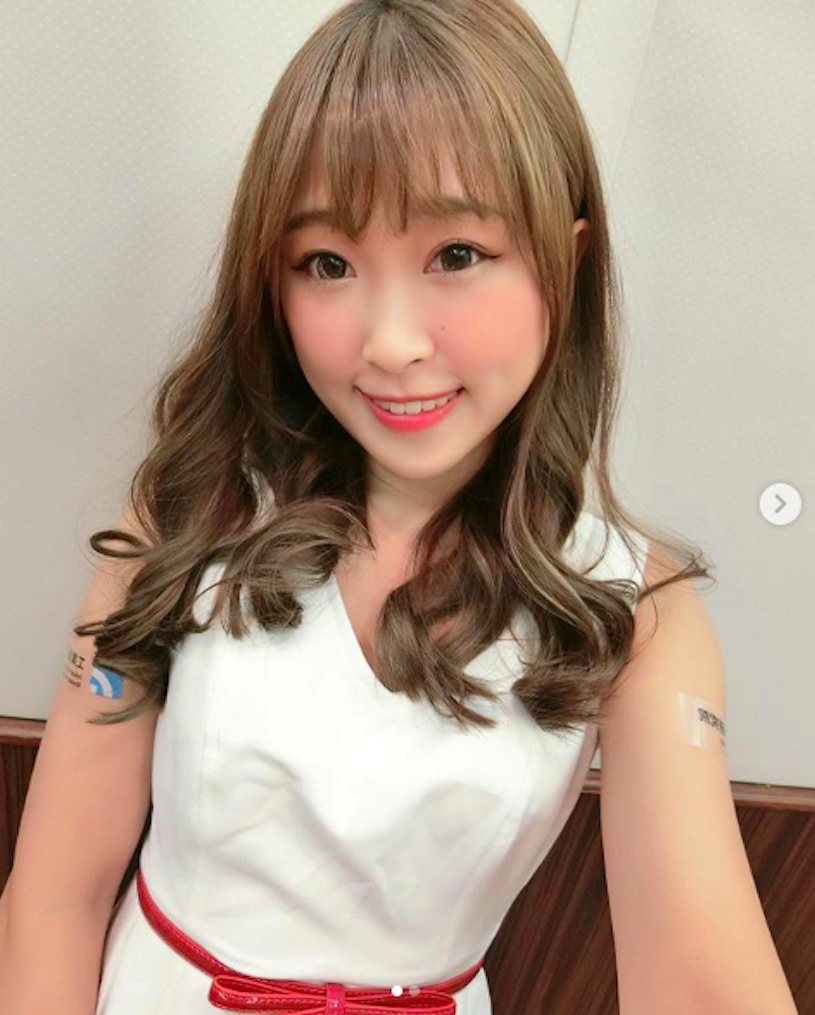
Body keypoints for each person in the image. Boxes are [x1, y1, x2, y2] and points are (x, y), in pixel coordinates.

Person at [0, 1, 799, 1013]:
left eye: (455, 254)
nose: (388, 342)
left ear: (566, 260)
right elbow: (54, 899)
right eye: (326, 264)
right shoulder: (190, 512)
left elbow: (701, 975)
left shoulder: (635, 612)